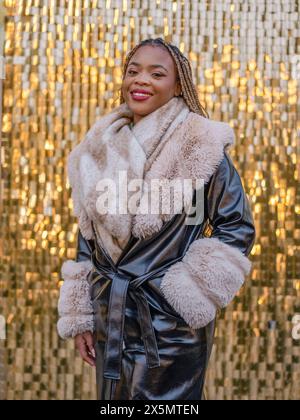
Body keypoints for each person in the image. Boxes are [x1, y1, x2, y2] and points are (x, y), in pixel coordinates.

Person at [57, 37, 256, 400]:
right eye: (133, 71)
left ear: (178, 85)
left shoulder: (201, 147)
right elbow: (88, 234)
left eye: (156, 73)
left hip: (169, 323)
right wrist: (82, 315)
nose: (141, 80)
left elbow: (236, 227)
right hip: (110, 316)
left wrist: (187, 291)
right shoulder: (98, 149)